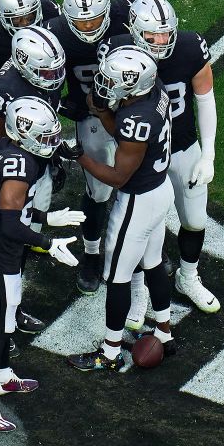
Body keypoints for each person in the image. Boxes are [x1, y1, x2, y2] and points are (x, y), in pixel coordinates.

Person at [0, 97, 83, 430]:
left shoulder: (2, 147)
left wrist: (48, 216)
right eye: (44, 137)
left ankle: (1, 376)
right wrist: (49, 243)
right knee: (0, 323)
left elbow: (7, 207)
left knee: (3, 316)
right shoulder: (21, 164)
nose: (50, 143)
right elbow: (9, 222)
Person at [104, 0, 220, 317]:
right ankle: (138, 292)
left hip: (181, 143)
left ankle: (189, 276)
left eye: (165, 32)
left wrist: (208, 153)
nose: (160, 40)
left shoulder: (188, 47)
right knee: (143, 228)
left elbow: (205, 99)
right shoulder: (118, 54)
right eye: (152, 34)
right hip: (139, 151)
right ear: (133, 30)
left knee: (195, 220)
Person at [63, 45, 177, 372]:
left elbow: (117, 176)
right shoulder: (153, 92)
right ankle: (164, 331)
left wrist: (78, 156)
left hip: (137, 201)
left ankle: (110, 352)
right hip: (159, 189)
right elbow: (125, 133)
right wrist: (103, 112)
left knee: (116, 276)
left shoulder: (137, 118)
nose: (105, 85)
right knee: (153, 262)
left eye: (114, 82)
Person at [44, 0, 134, 293]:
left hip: (130, 109)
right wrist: (66, 106)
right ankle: (92, 254)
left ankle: (146, 249)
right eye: (79, 23)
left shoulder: (128, 18)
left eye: (94, 20)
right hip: (92, 113)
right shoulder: (54, 34)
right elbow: (43, 84)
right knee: (99, 191)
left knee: (143, 181)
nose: (87, 28)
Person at [0, 25, 67, 344]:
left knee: (21, 238)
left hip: (35, 164)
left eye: (55, 68)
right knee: (7, 236)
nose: (54, 75)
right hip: (13, 170)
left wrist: (53, 156)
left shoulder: (44, 75)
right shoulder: (5, 87)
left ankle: (9, 311)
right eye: (46, 70)